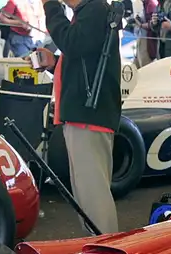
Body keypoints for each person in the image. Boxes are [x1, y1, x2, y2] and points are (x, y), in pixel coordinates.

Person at [33, 0, 122, 234]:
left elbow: (73, 43)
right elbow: (83, 57)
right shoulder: (92, 12)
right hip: (85, 115)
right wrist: (55, 65)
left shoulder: (94, 9)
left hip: (88, 117)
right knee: (86, 193)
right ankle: (99, 249)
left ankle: (107, 252)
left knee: (92, 194)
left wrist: (51, 7)